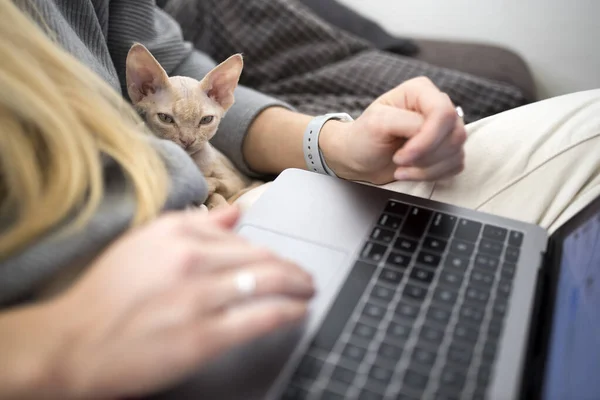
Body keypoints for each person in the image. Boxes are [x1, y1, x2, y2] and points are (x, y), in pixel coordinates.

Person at [0, 1, 599, 399]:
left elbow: (178, 65)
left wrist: (333, 142)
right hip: (90, 308)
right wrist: (49, 343)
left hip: (213, 223)